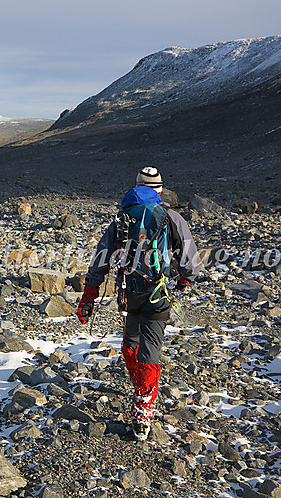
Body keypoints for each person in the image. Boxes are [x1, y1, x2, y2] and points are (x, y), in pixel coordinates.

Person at [76, 166, 199, 441]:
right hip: (159, 294)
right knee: (151, 348)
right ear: (160, 190)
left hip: (129, 294)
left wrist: (88, 299)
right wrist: (181, 283)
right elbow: (190, 263)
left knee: (131, 341)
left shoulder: (121, 220)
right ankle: (143, 411)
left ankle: (138, 385)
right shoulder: (172, 218)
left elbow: (99, 262)